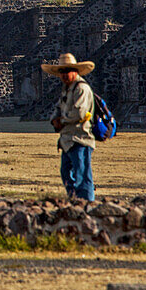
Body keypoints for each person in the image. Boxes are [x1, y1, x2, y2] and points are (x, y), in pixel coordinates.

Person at [43, 53, 97, 201]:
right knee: (66, 173)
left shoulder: (81, 88)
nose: (64, 75)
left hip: (80, 138)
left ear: (76, 71)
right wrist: (54, 119)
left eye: (67, 71)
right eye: (62, 72)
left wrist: (62, 120)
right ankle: (74, 199)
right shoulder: (67, 89)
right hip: (67, 139)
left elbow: (79, 113)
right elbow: (58, 107)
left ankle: (86, 203)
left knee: (82, 175)